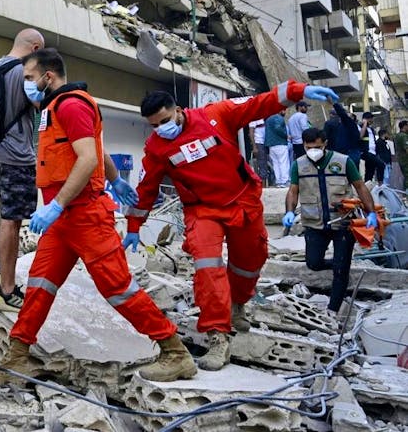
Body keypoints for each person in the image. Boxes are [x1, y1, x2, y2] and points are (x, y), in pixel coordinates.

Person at [0, 49, 195, 386]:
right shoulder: (54, 108)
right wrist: (115, 178)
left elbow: (86, 158)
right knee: (38, 286)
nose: (27, 86)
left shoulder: (72, 105)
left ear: (48, 77)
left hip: (83, 216)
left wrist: (56, 205)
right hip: (63, 221)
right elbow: (96, 148)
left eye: (30, 79)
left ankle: (175, 351)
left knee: (118, 288)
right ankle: (17, 357)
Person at [123, 80, 339, 371]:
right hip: (202, 210)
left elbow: (259, 103)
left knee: (251, 260)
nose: (162, 128)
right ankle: (218, 337)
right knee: (207, 267)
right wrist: (135, 225)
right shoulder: (156, 147)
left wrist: (298, 91)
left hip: (241, 200)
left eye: (164, 120)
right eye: (154, 125)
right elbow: (146, 187)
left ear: (177, 110)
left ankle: (238, 303)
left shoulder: (216, 115)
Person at [0, 28, 43, 312]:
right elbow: (43, 104)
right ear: (35, 47)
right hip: (15, 157)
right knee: (11, 221)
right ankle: (6, 290)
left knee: (7, 215)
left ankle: (2, 271)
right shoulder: (24, 72)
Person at [283, 128, 376, 314]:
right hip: (314, 224)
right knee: (313, 263)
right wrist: (289, 212)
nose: (313, 151)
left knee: (340, 273)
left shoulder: (343, 162)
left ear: (325, 144)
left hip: (342, 222)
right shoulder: (298, 165)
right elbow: (293, 190)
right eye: (309, 147)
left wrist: (371, 212)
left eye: (317, 147)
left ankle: (332, 310)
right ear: (304, 145)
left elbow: (360, 187)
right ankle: (340, 264)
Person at [324, 103, 362, 168]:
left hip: (350, 153)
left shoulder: (350, 124)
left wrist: (334, 103)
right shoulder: (340, 126)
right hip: (342, 153)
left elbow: (343, 115)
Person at [265, 112, 290, 187]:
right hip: (280, 143)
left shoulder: (268, 119)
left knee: (276, 164)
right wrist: (286, 135)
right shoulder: (279, 118)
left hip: (271, 145)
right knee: (283, 162)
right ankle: (285, 180)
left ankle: (279, 181)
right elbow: (278, 127)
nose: (284, 111)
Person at [360, 112, 383, 182]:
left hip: (373, 152)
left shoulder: (371, 129)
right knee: (381, 164)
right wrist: (364, 124)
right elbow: (360, 136)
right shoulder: (360, 127)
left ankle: (368, 186)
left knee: (370, 171)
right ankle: (380, 183)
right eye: (370, 119)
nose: (372, 120)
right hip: (367, 152)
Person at [249, 119, 268, 186]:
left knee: (265, 164)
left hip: (265, 143)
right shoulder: (253, 119)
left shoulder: (263, 118)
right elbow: (251, 133)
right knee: (262, 164)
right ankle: (263, 187)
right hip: (258, 143)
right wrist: (254, 147)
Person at [395, 121, 408, 190]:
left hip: (401, 159)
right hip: (406, 160)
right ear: (405, 126)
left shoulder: (398, 135)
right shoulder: (403, 136)